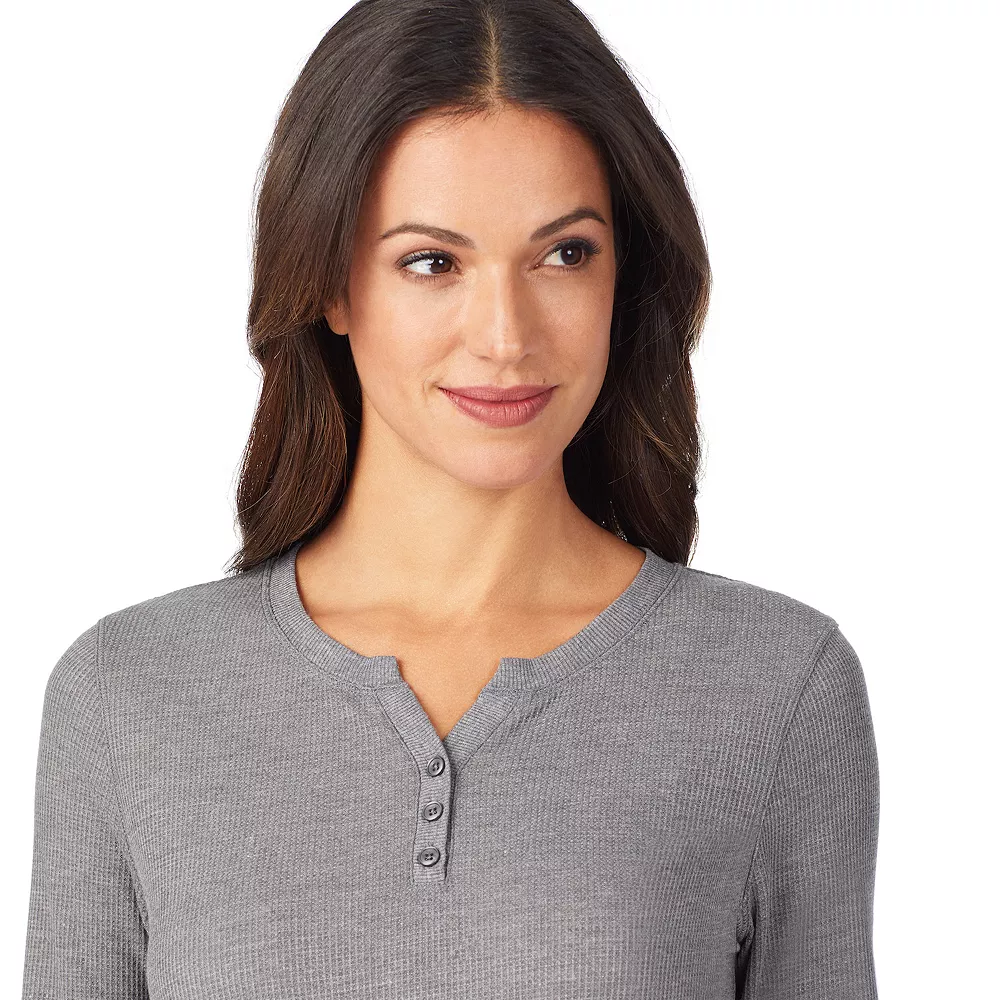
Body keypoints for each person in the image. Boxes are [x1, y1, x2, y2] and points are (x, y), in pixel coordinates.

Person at [21, 0, 880, 997]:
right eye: (432, 262)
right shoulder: (127, 696)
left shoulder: (774, 689)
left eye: (564, 253)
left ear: (625, 274)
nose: (505, 335)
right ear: (331, 285)